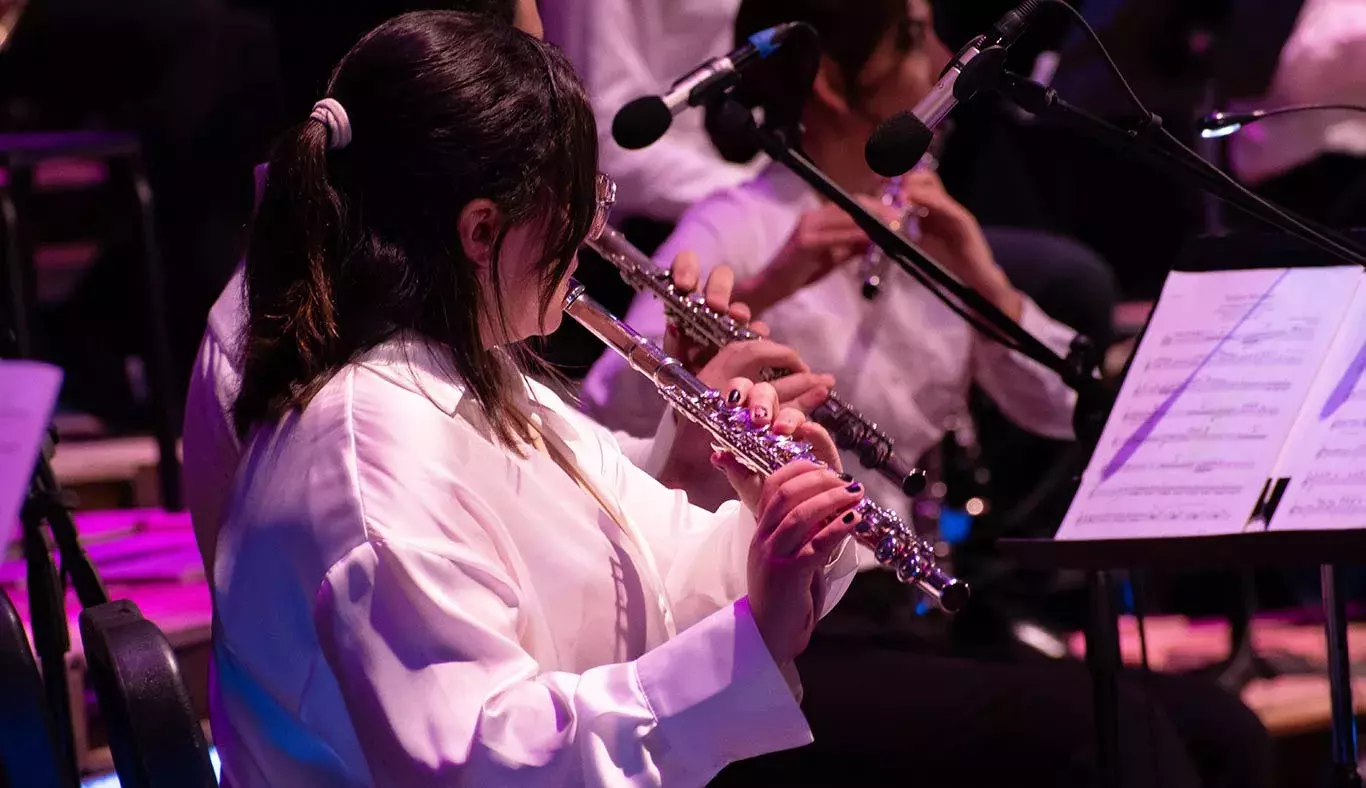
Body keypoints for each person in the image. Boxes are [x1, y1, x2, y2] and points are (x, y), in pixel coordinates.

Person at [205, 12, 865, 785]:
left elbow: (653, 571)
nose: (591, 229)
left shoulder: (478, 376)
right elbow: (487, 763)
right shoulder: (372, 454)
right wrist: (751, 639)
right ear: (482, 231)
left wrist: (783, 524)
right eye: (581, 197)